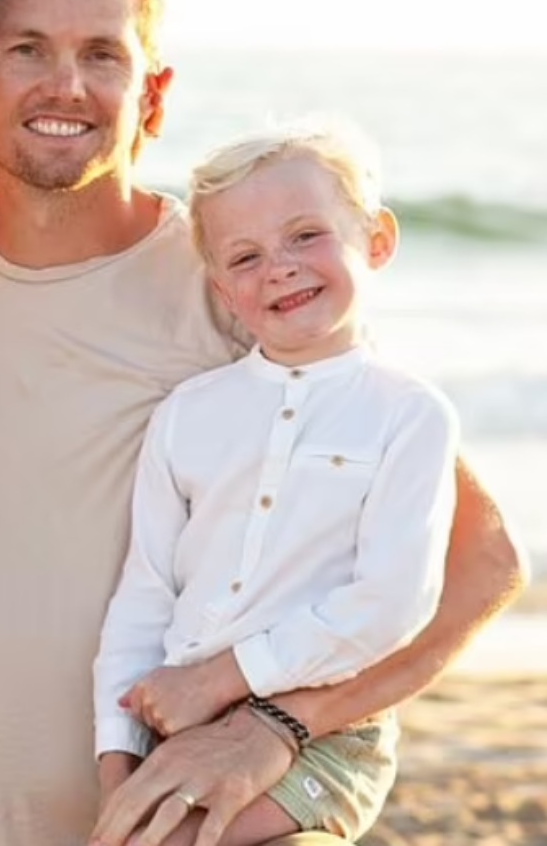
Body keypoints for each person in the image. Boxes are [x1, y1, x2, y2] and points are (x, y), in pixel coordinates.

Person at [0, 0, 525, 846]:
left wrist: (280, 725)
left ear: (154, 91)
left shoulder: (230, 280)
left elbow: (481, 563)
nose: (66, 83)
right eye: (28, 48)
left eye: (103, 52)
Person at [91, 122, 461, 846]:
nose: (280, 268)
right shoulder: (187, 416)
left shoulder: (409, 414)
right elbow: (144, 597)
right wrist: (117, 766)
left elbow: (391, 601)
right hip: (183, 722)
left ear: (377, 240)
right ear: (224, 291)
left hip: (324, 727)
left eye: (305, 236)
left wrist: (224, 676)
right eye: (246, 256)